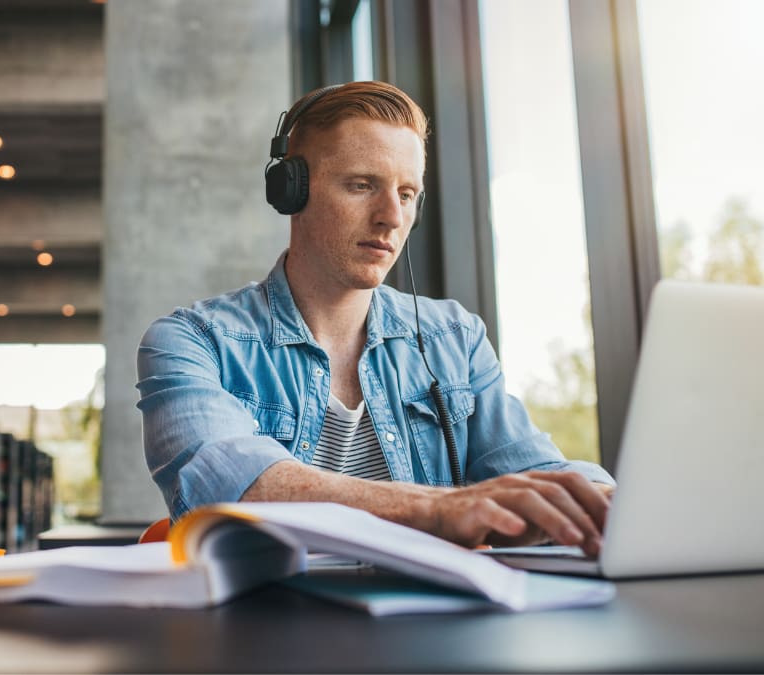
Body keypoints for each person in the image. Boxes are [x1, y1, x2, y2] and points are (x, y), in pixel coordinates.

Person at [136, 81, 615, 556]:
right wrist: (443, 509)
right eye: (362, 185)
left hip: (431, 625)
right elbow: (230, 486)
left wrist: (609, 503)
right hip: (269, 624)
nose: (391, 216)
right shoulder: (191, 341)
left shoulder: (455, 338)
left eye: (407, 194)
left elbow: (536, 471)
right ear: (292, 192)